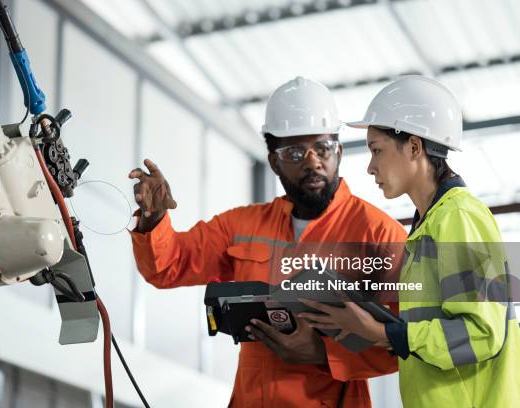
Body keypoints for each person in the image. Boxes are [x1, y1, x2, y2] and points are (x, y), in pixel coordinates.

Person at [129, 77, 407, 407]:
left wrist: (321, 353)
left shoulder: (379, 235)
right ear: (274, 161)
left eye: (323, 148)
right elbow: (168, 266)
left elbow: (406, 343)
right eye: (294, 152)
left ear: (339, 152)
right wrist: (154, 219)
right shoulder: (242, 225)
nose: (312, 162)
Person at [300, 75, 520, 407]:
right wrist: (372, 327)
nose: (371, 167)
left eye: (377, 150)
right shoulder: (427, 228)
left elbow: (480, 334)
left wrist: (383, 332)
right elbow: (435, 334)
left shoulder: (457, 217)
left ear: (414, 147)